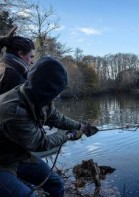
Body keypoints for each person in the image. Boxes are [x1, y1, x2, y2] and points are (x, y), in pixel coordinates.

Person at [0, 56, 97, 196]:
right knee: (28, 195)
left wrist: (80, 126)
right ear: (46, 89)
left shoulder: (37, 96)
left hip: (16, 155)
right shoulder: (14, 110)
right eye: (56, 92)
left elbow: (57, 118)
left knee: (55, 184)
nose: (58, 96)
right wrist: (69, 135)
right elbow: (41, 143)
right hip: (2, 163)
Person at [0, 26, 35, 94]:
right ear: (21, 53)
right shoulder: (12, 76)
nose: (32, 62)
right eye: (31, 56)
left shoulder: (3, 68)